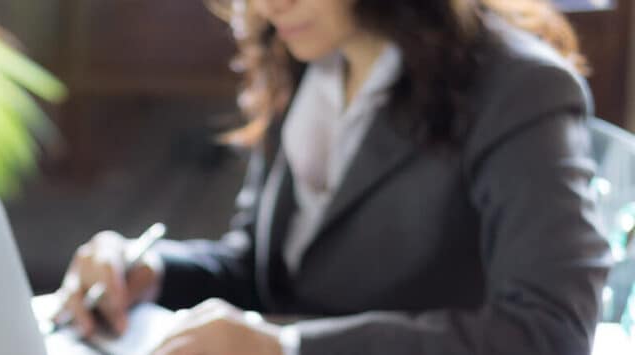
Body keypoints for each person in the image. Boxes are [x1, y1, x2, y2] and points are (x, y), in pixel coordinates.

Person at [54, 0, 612, 354]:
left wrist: (288, 348)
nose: (269, 5)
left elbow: (551, 334)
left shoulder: (519, 88)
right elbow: (264, 269)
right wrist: (151, 269)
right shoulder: (311, 58)